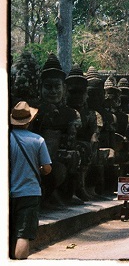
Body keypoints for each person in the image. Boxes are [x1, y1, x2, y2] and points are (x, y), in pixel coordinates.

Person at [9, 101, 53, 260]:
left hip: (7, 194)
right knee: (23, 234)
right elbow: (47, 168)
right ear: (29, 121)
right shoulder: (38, 140)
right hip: (29, 192)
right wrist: (38, 169)